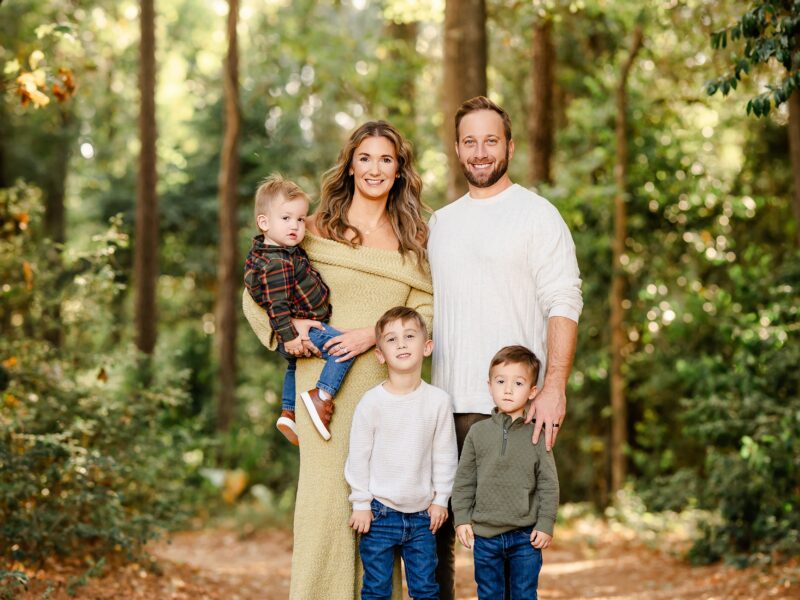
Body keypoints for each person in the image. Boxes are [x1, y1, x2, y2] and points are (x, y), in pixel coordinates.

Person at [242, 120, 433, 599]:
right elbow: (255, 287)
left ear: (399, 169)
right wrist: (290, 330)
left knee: (380, 519)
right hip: (319, 396)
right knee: (325, 509)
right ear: (349, 164)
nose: (374, 168)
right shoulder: (312, 227)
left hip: (387, 392)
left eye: (385, 159)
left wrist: (374, 334)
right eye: (364, 157)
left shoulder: (414, 237)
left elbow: (429, 309)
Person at [427, 95, 582, 598]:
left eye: (490, 140)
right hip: (444, 406)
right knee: (434, 540)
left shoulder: (537, 215)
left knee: (512, 552)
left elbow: (564, 299)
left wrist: (553, 386)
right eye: (469, 141)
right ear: (456, 149)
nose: (479, 151)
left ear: (509, 146)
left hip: (514, 410)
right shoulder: (440, 224)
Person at [346, 306, 457, 600]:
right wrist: (360, 502)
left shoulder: (438, 402)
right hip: (379, 513)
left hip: (423, 516)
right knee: (376, 590)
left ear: (427, 347)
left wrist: (441, 499)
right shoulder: (371, 403)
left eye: (409, 336)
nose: (402, 344)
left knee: (425, 590)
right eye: (392, 340)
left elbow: (445, 454)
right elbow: (358, 456)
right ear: (380, 354)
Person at [244, 175, 355, 445]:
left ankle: (288, 412)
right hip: (300, 330)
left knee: (294, 367)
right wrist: (291, 336)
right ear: (264, 222)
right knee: (344, 347)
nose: (295, 226)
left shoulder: (277, 252)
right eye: (286, 218)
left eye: (300, 219)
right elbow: (276, 305)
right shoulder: (277, 263)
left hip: (296, 328)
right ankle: (323, 396)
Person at [452, 346, 558, 600]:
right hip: (485, 536)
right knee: (489, 594)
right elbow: (464, 481)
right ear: (490, 385)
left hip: (525, 537)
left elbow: (548, 485)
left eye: (518, 383)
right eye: (501, 381)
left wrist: (545, 524)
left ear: (532, 391)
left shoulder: (537, 435)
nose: (508, 389)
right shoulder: (478, 433)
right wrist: (462, 518)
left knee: (523, 594)